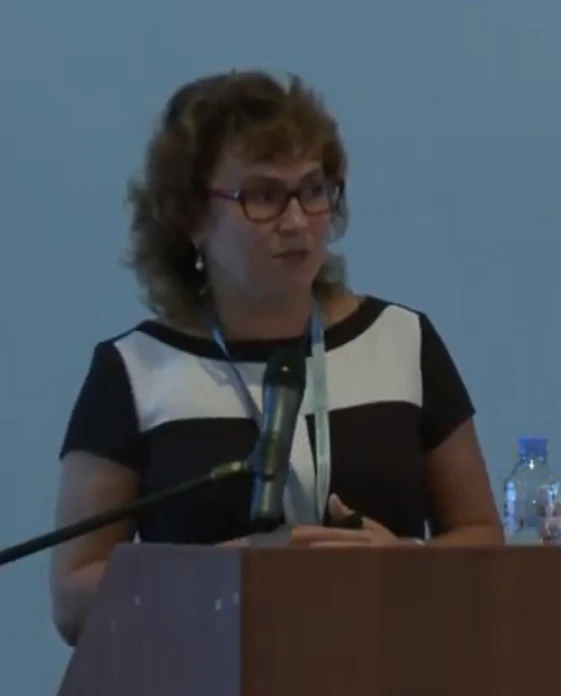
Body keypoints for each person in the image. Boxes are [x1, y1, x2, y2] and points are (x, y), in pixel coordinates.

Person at [49, 69, 503, 646]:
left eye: (313, 190)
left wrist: (406, 562)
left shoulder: (402, 341)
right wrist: (220, 574)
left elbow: (483, 537)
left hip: (389, 666)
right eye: (264, 197)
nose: (296, 222)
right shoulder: (136, 370)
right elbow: (73, 597)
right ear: (191, 218)